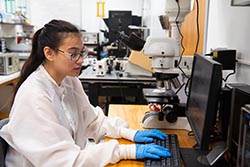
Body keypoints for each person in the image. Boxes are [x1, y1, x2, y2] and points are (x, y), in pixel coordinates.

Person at [0, 19, 170, 167]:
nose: (81, 60)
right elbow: (66, 161)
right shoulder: (35, 95)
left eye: (81, 52)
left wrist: (130, 134)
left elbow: (92, 121)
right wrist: (127, 151)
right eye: (73, 54)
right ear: (49, 53)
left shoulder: (68, 80)